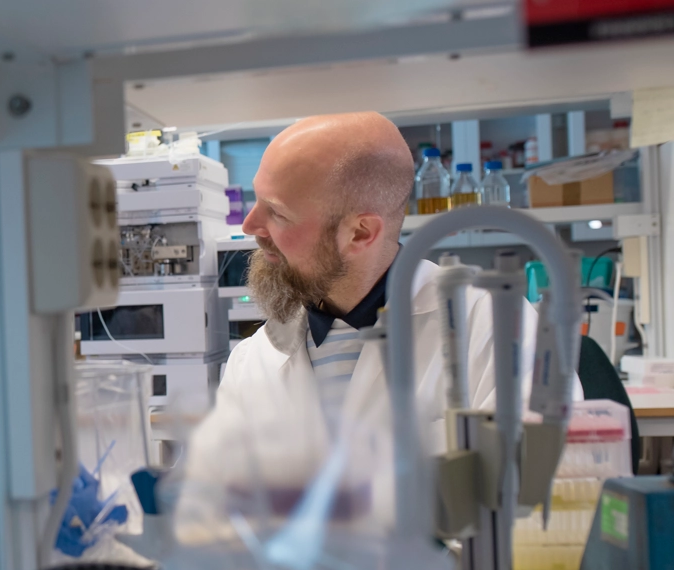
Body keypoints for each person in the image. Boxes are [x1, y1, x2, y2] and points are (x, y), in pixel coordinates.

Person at [218, 111, 541, 462]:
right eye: (257, 201)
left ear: (360, 233)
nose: (250, 226)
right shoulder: (252, 359)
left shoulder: (495, 326)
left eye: (277, 213)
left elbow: (539, 482)